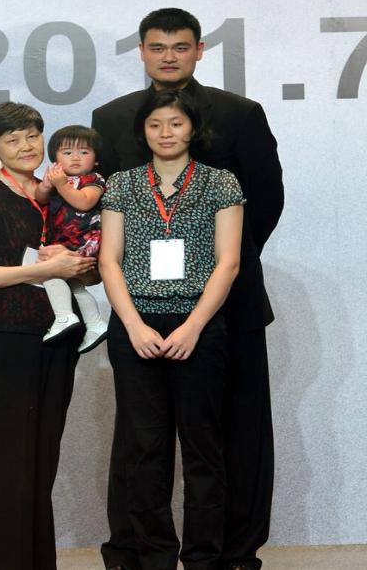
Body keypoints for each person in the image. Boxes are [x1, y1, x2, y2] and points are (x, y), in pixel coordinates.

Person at [92, 8, 284, 570]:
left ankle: (231, 554)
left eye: (180, 46)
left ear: (200, 49)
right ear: (143, 52)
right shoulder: (111, 116)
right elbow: (101, 208)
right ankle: (134, 552)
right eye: (157, 47)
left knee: (234, 434)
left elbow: (265, 203)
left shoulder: (240, 113)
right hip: (141, 308)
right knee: (140, 439)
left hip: (227, 303)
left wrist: (215, 273)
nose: (169, 55)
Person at [100, 89, 244, 570]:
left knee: (203, 447)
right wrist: (134, 325)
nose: (166, 133)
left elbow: (228, 263)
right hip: (136, 326)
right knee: (145, 448)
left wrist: (194, 327)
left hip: (198, 326)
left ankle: (203, 558)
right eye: (156, 125)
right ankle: (155, 556)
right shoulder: (120, 184)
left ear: (193, 129)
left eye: (176, 124)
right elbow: (109, 260)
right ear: (143, 130)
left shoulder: (220, 183)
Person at [0, 102, 96, 570]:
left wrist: (75, 265)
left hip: (56, 337)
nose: (25, 146)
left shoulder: (47, 195)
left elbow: (69, 260)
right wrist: (47, 267)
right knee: (7, 462)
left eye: (32, 136)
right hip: (7, 335)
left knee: (42, 458)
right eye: (12, 139)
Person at [35, 125, 108, 353]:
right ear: (55, 158)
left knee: (49, 272)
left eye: (84, 152)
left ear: (96, 159)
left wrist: (60, 185)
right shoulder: (56, 178)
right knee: (74, 285)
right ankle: (95, 323)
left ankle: (64, 316)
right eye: (67, 152)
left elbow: (83, 202)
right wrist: (46, 187)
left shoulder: (95, 179)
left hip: (83, 242)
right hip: (61, 242)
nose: (75, 158)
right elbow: (40, 198)